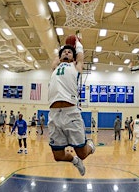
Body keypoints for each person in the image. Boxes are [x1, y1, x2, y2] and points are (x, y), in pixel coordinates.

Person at [48, 37, 95, 176]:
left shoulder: (76, 67)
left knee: (83, 154)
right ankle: (75, 161)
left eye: (69, 52)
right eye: (64, 52)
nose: (66, 53)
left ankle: (90, 147)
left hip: (71, 113)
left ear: (74, 58)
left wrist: (78, 43)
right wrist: (65, 45)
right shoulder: (55, 67)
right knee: (58, 156)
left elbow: (80, 57)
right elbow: (57, 56)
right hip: (54, 114)